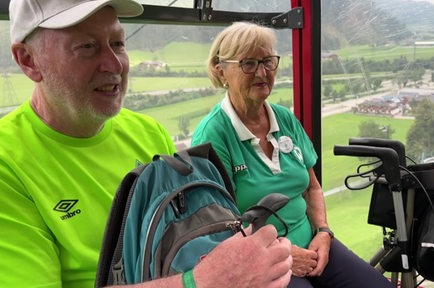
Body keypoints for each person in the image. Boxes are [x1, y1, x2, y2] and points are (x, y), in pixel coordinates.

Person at [0, 1, 292, 287]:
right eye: (87, 47)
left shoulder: (148, 133)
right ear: (28, 60)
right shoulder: (8, 162)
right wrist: (204, 281)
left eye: (118, 44)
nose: (114, 64)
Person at [191, 21, 393, 288]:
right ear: (222, 71)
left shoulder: (284, 118)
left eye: (267, 61)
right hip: (259, 260)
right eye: (248, 63)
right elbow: (216, 227)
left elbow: (312, 188)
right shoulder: (213, 135)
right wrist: (283, 253)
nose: (262, 72)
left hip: (311, 241)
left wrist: (323, 232)